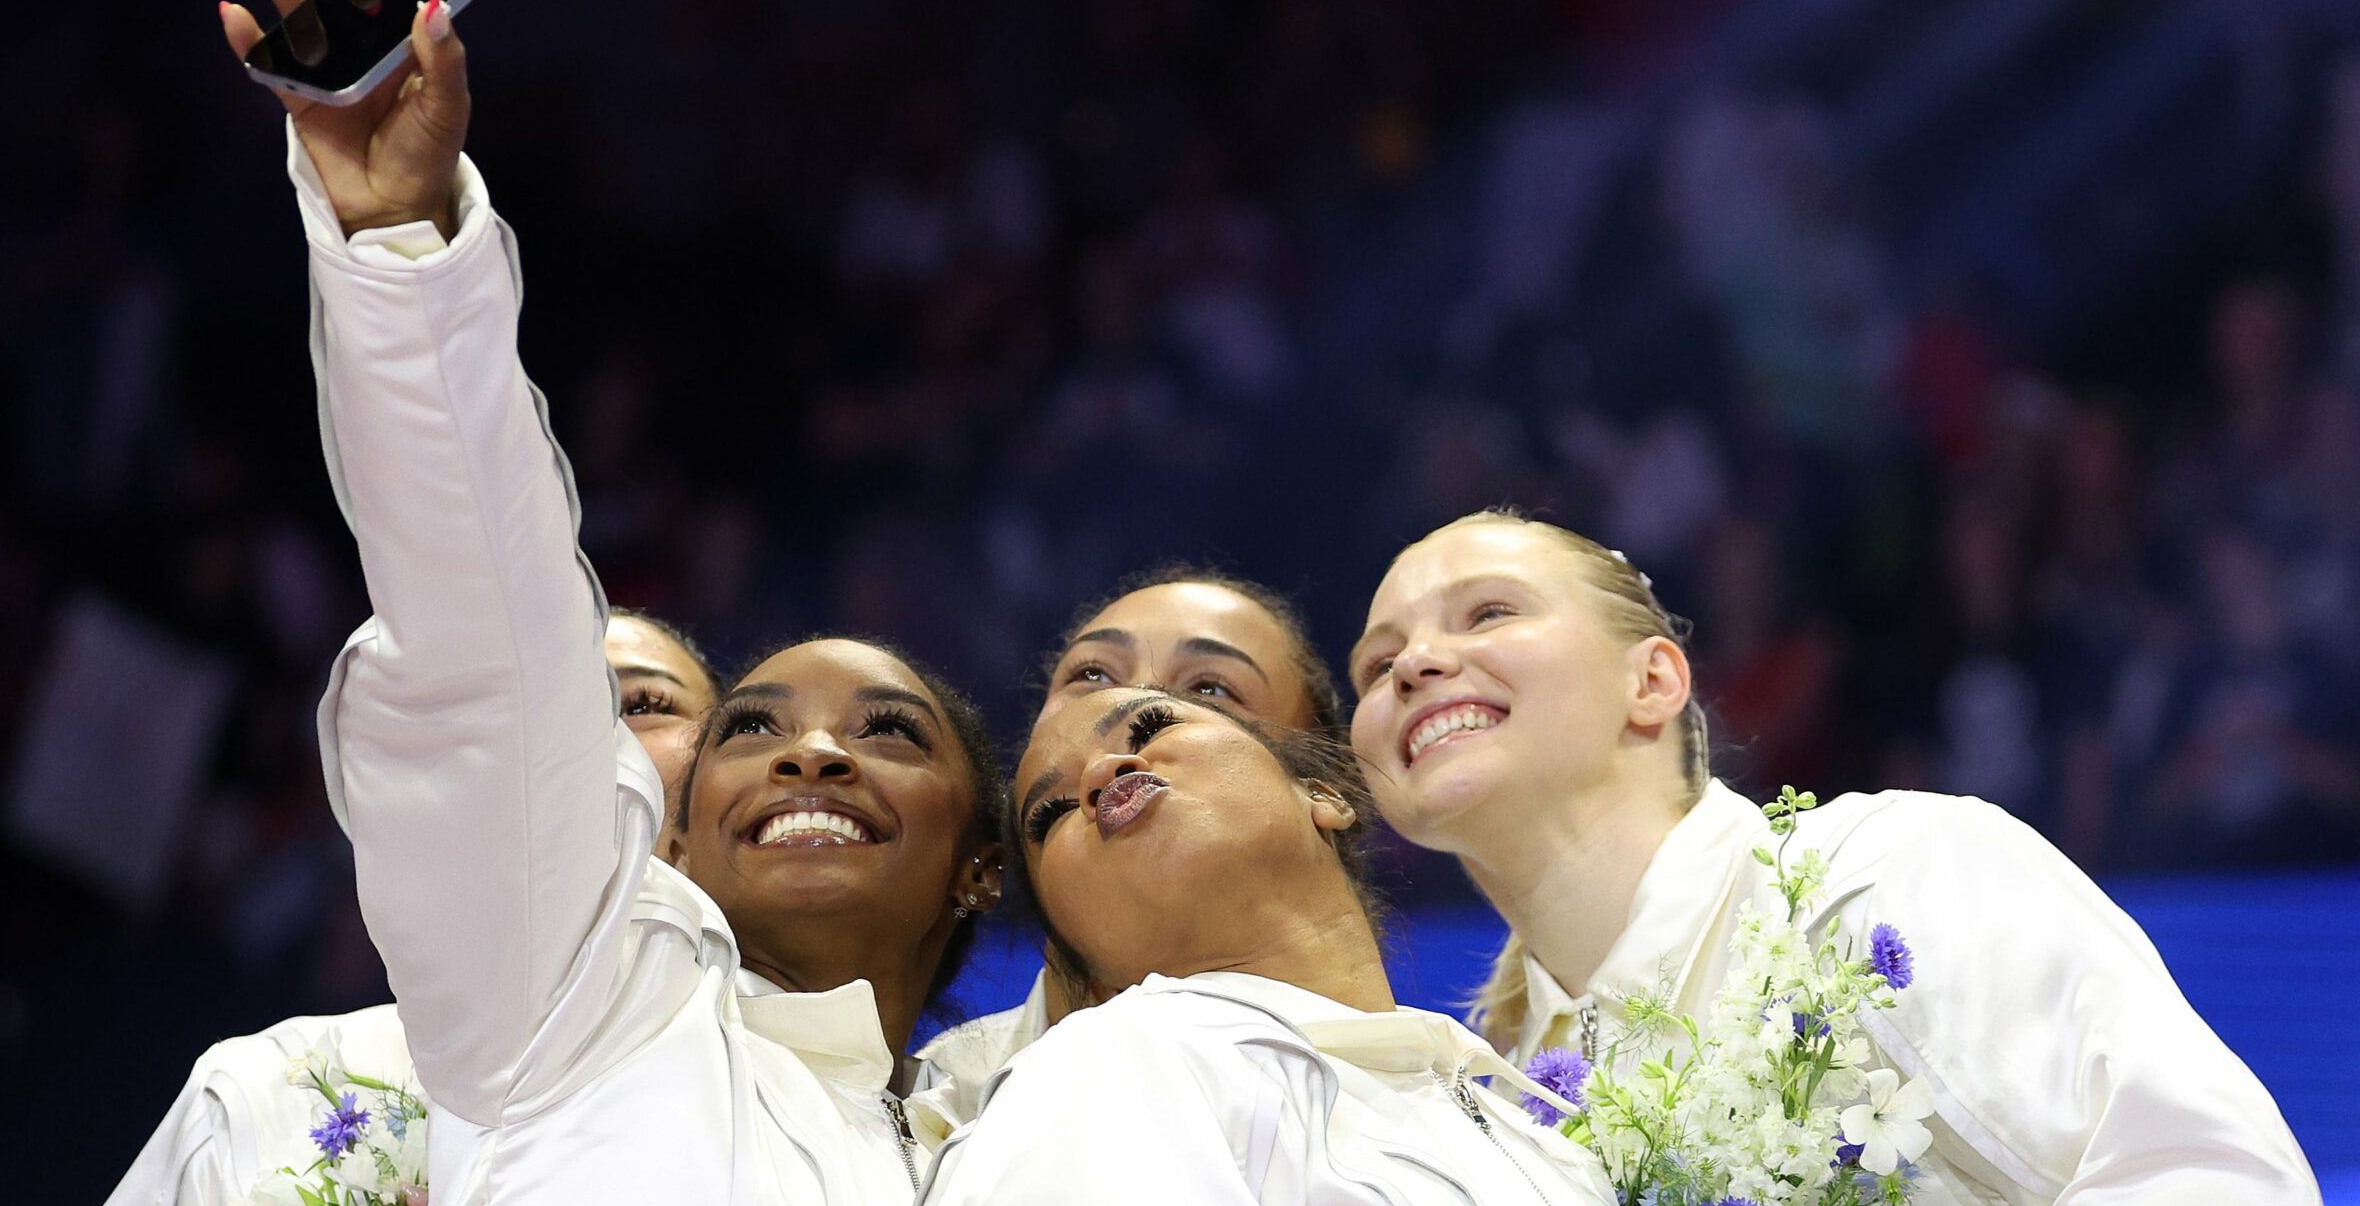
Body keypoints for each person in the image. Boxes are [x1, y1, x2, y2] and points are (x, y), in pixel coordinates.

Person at [218, 0, 1006, 1203]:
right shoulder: (547, 1017)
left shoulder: (1061, 1118)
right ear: (674, 834)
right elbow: (490, 639)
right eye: (748, 730)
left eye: (893, 732)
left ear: (987, 849)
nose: (812, 751)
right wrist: (402, 256)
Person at [1345, 508, 2323, 1204]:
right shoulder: (1500, 1113)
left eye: (1487, 614)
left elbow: (2213, 1175)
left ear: (1651, 683)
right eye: (1376, 665)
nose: (1415, 665)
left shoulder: (1892, 873)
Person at [105, 611, 717, 1206]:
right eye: (533, 711)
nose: (586, 737)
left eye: (641, 706)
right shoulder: (264, 1093)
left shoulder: (784, 1100)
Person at [919, 686, 1615, 1204]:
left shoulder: (1538, 1143)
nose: (1101, 775)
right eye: (1053, 813)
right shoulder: (1103, 1063)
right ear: (1076, 964)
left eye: (1151, 724)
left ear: (1323, 794)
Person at [912, 563, 1345, 1094]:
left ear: (1321, 787)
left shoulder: (1445, 1092)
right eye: (1091, 675)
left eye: (1210, 688)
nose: (1131, 700)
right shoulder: (940, 1104)